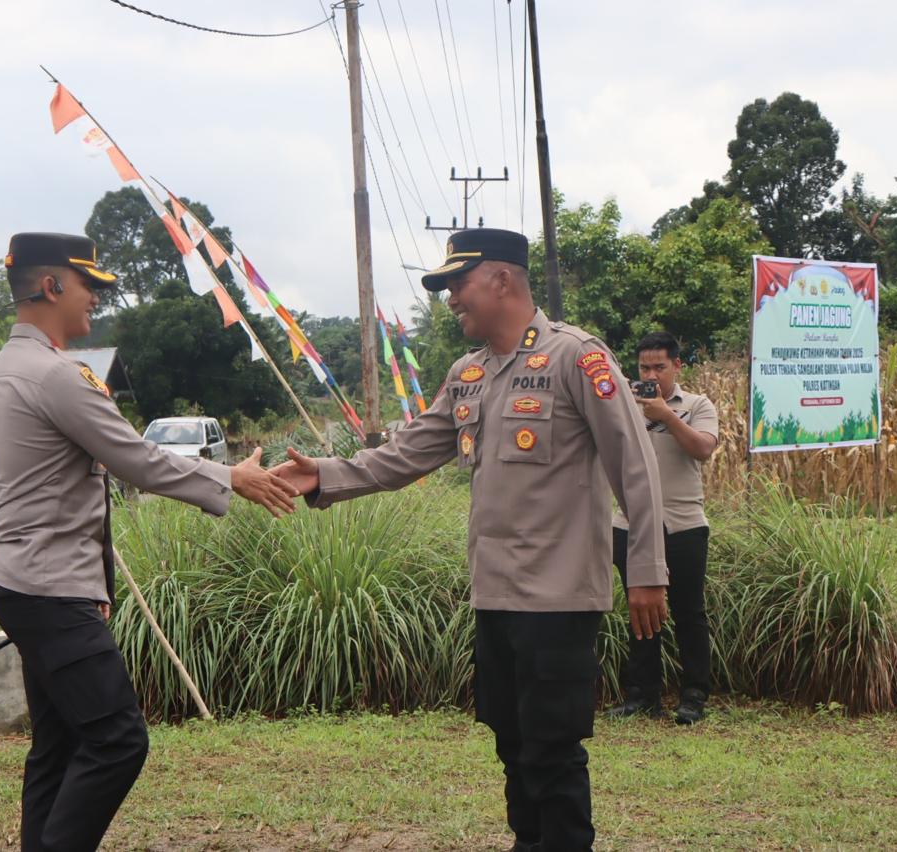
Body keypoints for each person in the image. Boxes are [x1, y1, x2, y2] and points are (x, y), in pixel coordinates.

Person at [272, 228, 668, 852]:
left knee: (552, 748)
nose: (450, 297)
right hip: (495, 595)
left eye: (458, 283)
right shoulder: (468, 375)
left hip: (559, 598)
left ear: (502, 280)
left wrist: (646, 571)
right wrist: (321, 475)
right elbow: (405, 454)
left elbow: (634, 466)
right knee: (512, 743)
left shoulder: (576, 358)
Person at [0, 232, 298, 852]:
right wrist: (234, 477)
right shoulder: (54, 377)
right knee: (118, 739)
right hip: (47, 587)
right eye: (89, 286)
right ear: (52, 286)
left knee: (61, 742)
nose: (95, 299)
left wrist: (89, 584)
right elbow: (139, 460)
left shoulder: (1, 374)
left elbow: (12, 491)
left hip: (27, 581)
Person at [606, 331, 719, 725]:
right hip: (630, 524)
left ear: (677, 366)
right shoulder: (623, 407)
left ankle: (693, 696)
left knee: (689, 611)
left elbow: (703, 449)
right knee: (640, 610)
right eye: (643, 368)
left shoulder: (696, 404)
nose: (651, 374)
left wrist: (666, 416)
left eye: (660, 367)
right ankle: (642, 695)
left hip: (684, 523)